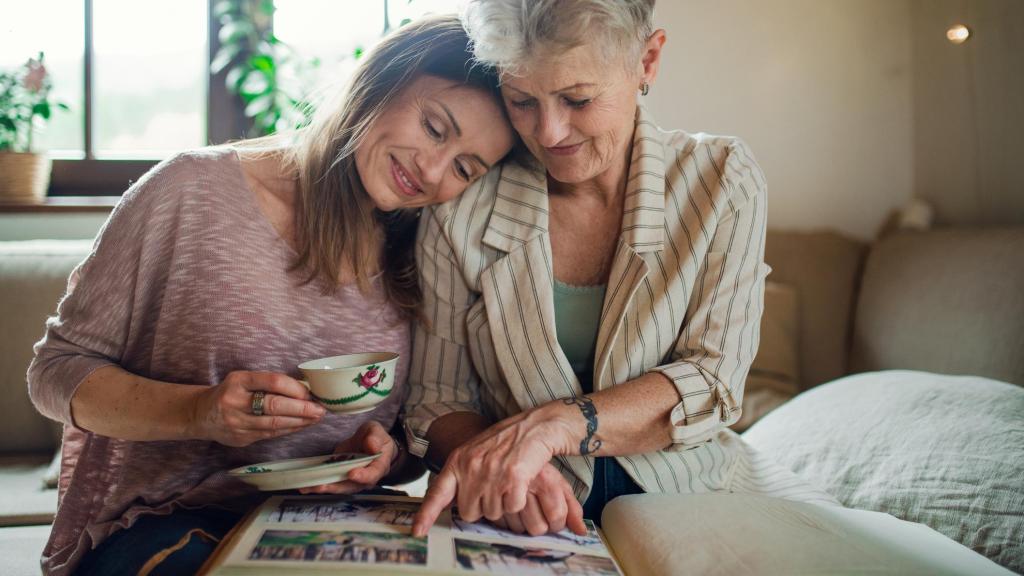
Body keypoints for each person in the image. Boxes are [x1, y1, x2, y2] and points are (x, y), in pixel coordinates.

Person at [27, 15, 515, 576]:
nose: (431, 170)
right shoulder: (189, 191)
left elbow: (407, 439)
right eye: (433, 127)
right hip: (165, 523)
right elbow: (54, 373)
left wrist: (384, 456)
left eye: (463, 168)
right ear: (383, 80)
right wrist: (200, 412)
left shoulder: (423, 250)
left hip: (337, 527)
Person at [405, 0, 838, 538]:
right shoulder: (461, 205)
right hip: (521, 515)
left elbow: (713, 379)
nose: (549, 132)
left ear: (647, 61)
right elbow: (437, 397)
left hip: (693, 497)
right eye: (522, 101)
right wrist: (504, 470)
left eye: (578, 99)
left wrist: (559, 426)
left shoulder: (724, 181)